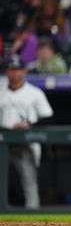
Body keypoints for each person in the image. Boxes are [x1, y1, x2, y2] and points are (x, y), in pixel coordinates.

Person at [0, 56, 53, 208]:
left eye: (18, 70)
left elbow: (48, 117)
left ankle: (32, 216)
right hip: (2, 141)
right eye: (11, 69)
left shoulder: (34, 93)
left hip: (25, 143)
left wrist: (29, 125)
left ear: (23, 71)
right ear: (7, 71)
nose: (15, 73)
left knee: (29, 181)